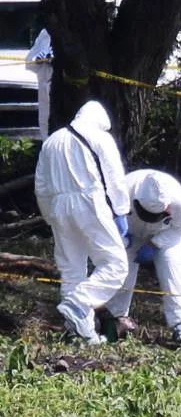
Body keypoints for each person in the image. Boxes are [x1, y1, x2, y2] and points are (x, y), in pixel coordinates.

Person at [34, 100, 130, 345]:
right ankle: (78, 304)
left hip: (58, 206)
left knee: (72, 268)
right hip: (91, 202)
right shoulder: (99, 137)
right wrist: (121, 211)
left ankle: (80, 331)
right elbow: (115, 178)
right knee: (116, 265)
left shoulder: (52, 141)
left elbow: (41, 186)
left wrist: (49, 216)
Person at [102, 169, 181, 344]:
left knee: (173, 270)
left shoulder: (179, 201)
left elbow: (179, 228)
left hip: (165, 234)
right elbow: (107, 222)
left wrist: (155, 244)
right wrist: (123, 240)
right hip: (129, 234)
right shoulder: (123, 190)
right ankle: (115, 320)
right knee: (120, 271)